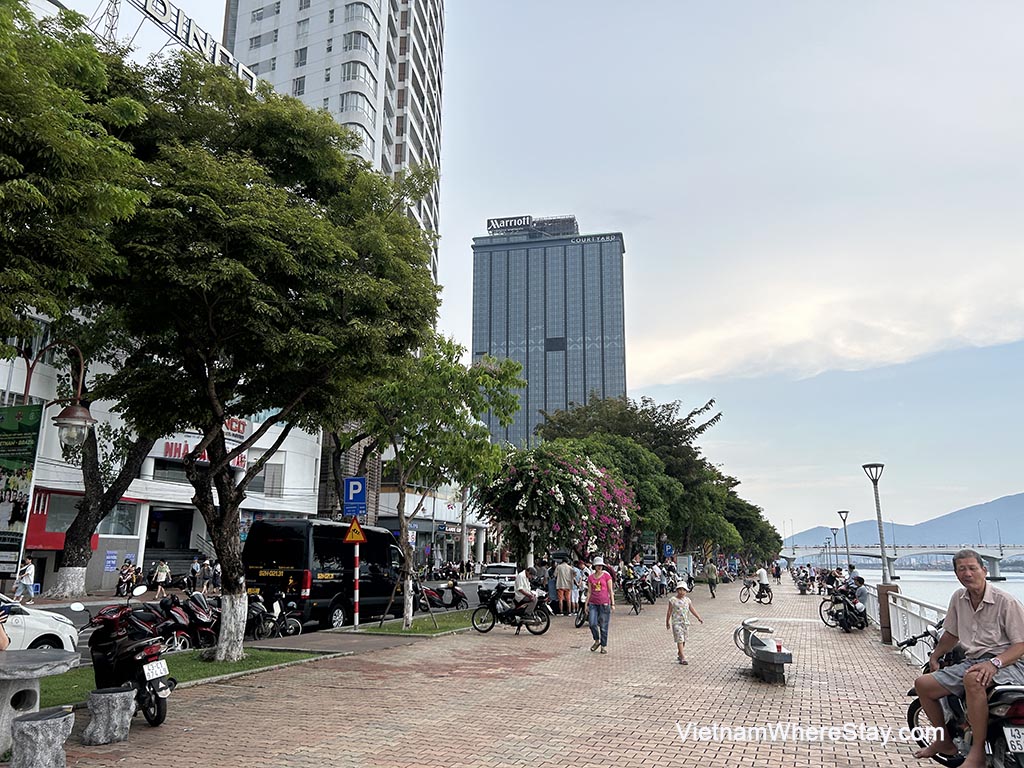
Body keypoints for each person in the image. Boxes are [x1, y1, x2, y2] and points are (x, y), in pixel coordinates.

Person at [912, 549, 1024, 767]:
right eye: (961, 569)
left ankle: (977, 752)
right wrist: (936, 655)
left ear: (984, 570)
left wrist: (994, 663)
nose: (967, 573)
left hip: (1010, 662)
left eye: (972, 568)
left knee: (973, 679)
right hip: (974, 661)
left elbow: (1021, 644)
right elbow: (952, 633)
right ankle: (943, 740)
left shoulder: (1005, 601)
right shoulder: (959, 598)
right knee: (923, 684)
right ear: (956, 573)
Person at [665, 582, 703, 664]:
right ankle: (683, 657)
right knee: (680, 639)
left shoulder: (687, 600)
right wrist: (667, 622)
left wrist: (698, 617)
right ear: (677, 590)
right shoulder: (673, 600)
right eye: (680, 590)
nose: (681, 592)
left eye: (683, 590)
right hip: (676, 623)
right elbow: (669, 611)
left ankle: (680, 653)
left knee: (684, 639)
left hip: (685, 623)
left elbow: (692, 609)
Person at [586, 556, 615, 654]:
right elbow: (589, 591)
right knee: (592, 623)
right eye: (597, 565)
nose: (599, 567)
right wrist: (586, 604)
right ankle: (596, 640)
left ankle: (603, 645)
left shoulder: (606, 576)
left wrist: (612, 603)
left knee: (603, 626)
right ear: (594, 566)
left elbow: (610, 590)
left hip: (604, 604)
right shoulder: (590, 578)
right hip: (593, 604)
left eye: (601, 565)